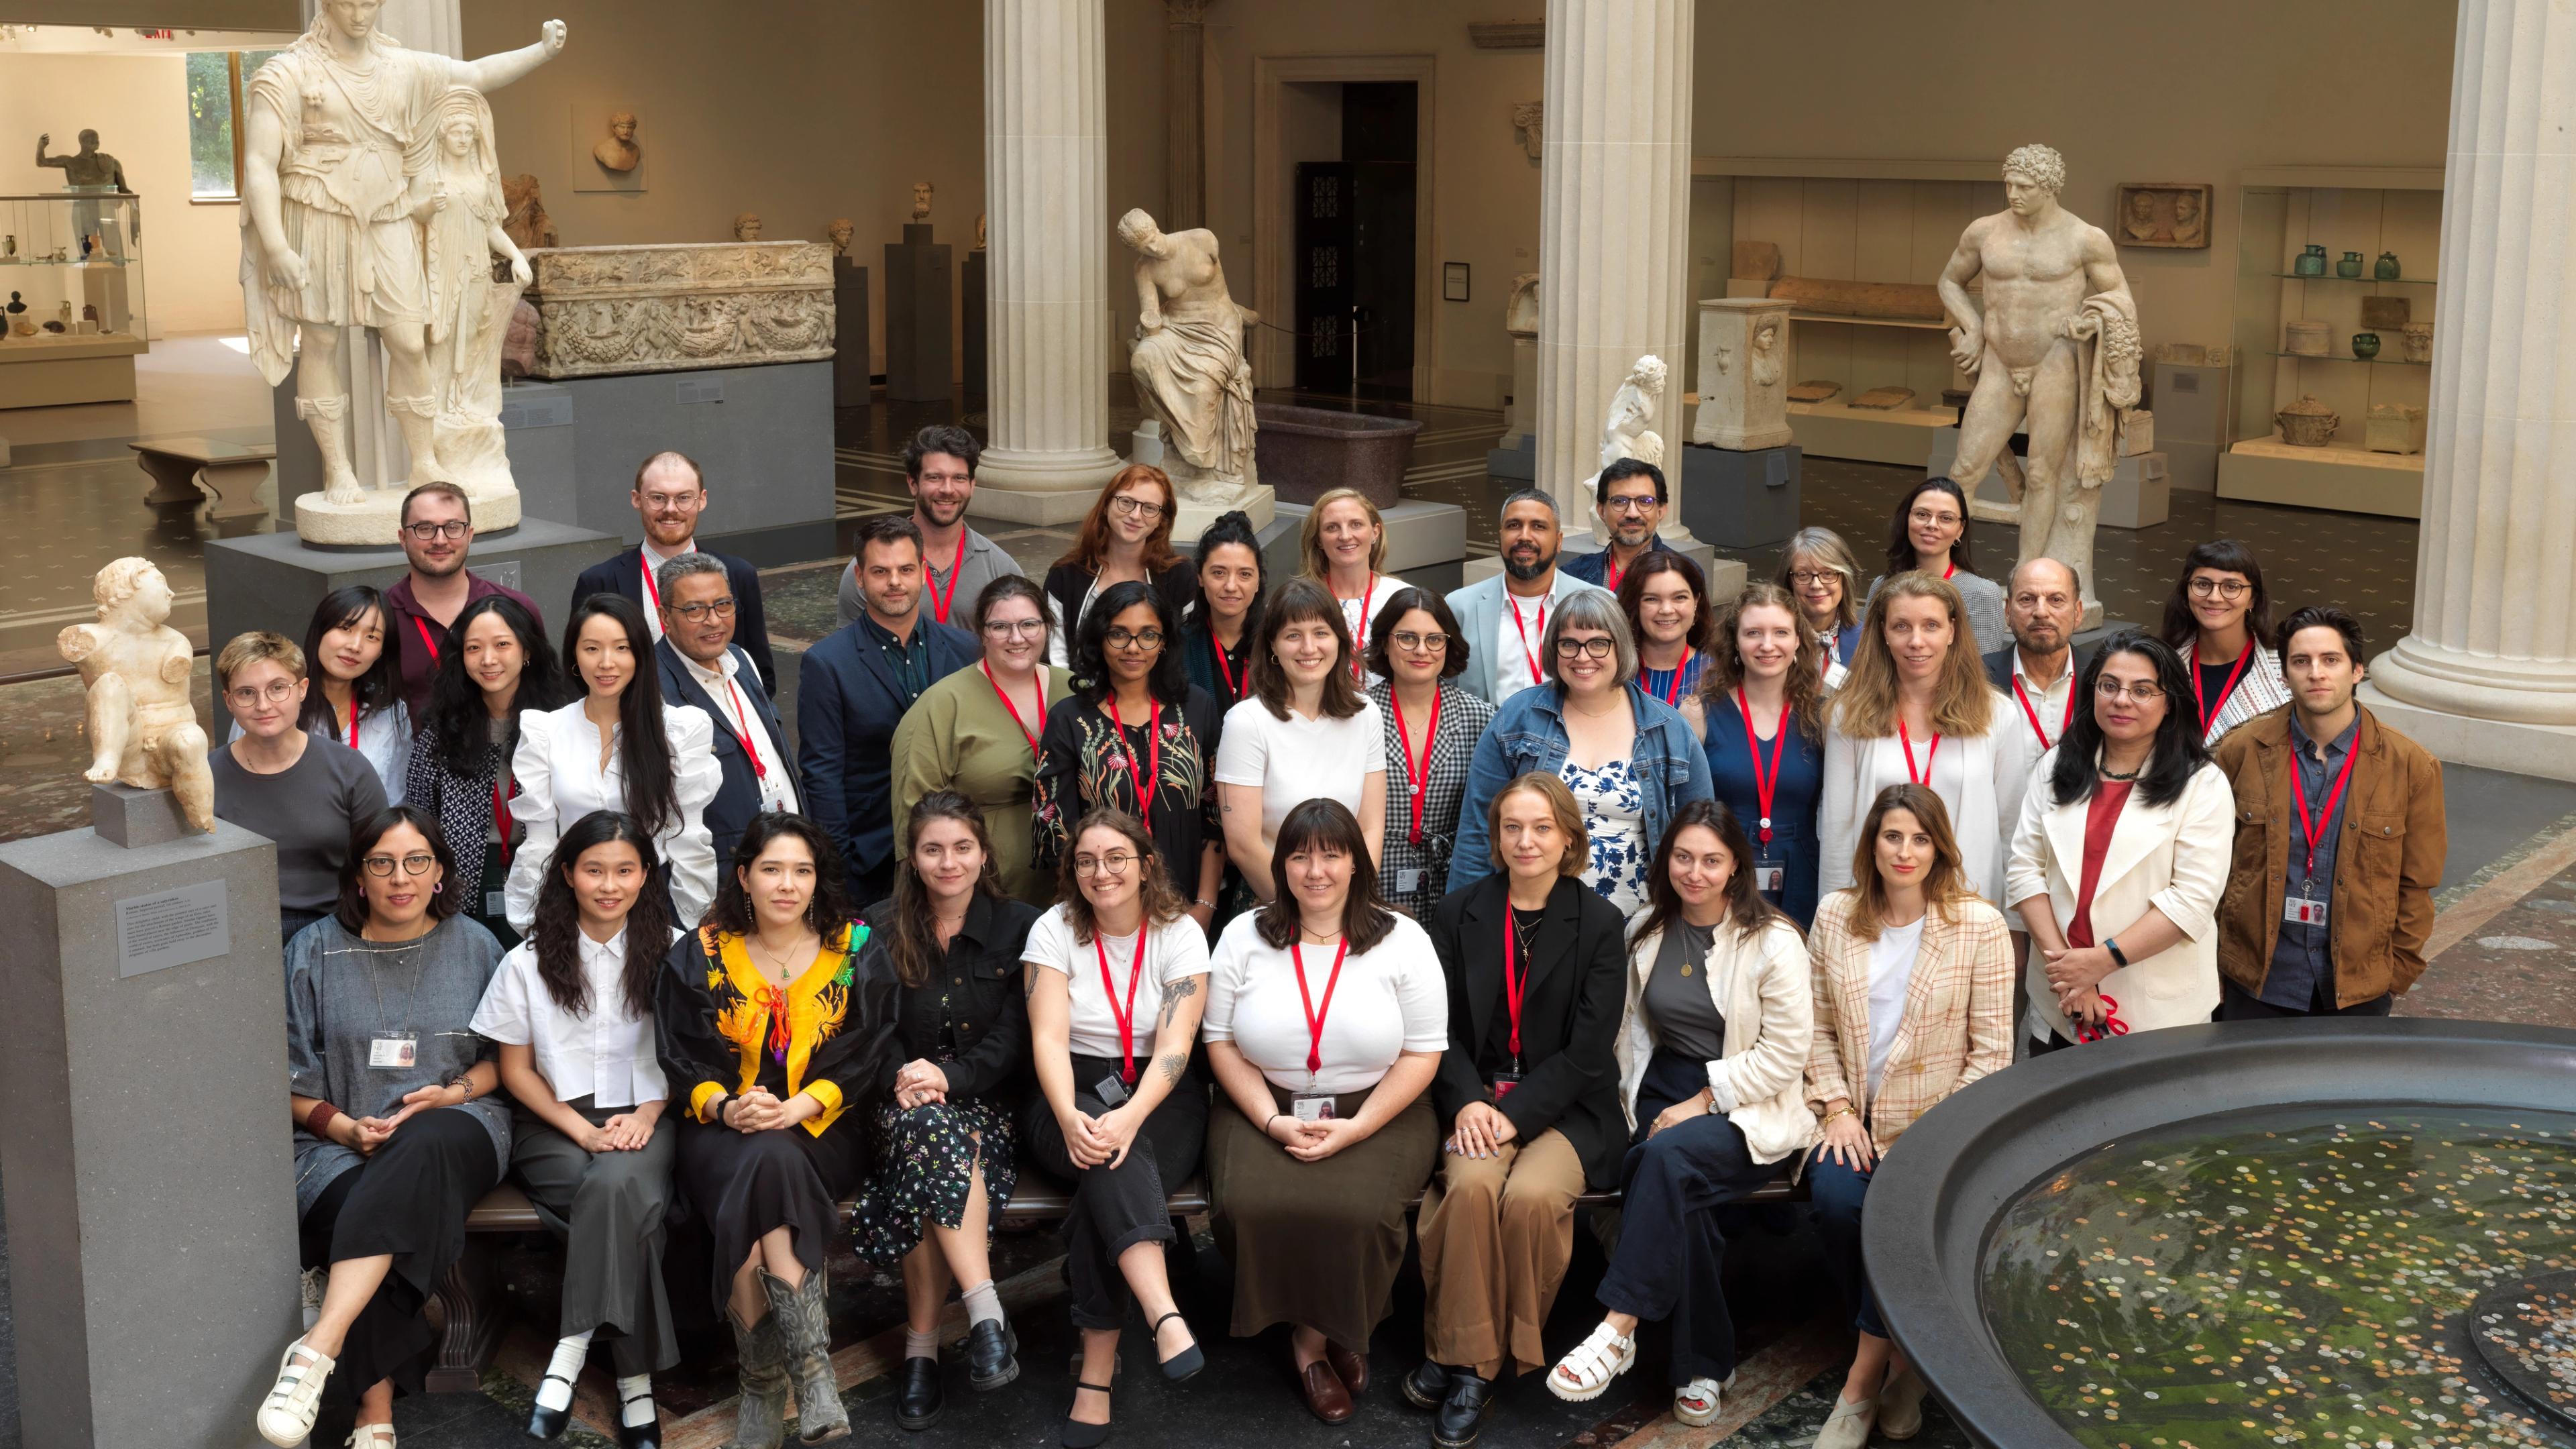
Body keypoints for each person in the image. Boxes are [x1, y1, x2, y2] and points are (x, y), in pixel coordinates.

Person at [1548, 800, 1813, 1428]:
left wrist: (1702, 1102)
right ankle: (1700, 1368)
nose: (1696, 872)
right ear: (1667, 861)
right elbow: (1627, 1035)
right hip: (1657, 1088)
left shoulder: (1775, 941)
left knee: (1667, 1161)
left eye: (1712, 861)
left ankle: (1618, 1326)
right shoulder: (1645, 928)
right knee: (1678, 1188)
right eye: (1684, 857)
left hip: (1746, 1100)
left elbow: (1784, 1055)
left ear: (1736, 868)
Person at [256, 807, 508, 1449]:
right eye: (382, 863)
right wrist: (342, 1128)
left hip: (458, 1125)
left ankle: (318, 1347)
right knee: (364, 1212)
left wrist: (448, 1094)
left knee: (420, 1140)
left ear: (440, 871)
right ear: (359, 877)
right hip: (340, 1145)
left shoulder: (477, 944)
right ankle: (374, 1417)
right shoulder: (312, 951)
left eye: (417, 861)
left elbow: (504, 1064)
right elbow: (285, 1081)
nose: (401, 878)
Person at [1203, 799, 1447, 1426]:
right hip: (1263, 1101)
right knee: (1249, 1205)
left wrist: (1359, 1128)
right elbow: (1220, 1042)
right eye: (1300, 854)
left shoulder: (1404, 939)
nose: (1316, 870)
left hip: (1380, 1106)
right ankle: (1338, 1322)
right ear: (1281, 864)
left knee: (1356, 1210)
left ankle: (1311, 1344)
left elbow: (1423, 1054)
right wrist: (1270, 1120)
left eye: (1332, 854)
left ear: (1355, 863)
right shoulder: (1243, 934)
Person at [657, 813, 896, 1449]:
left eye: (802, 871)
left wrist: (799, 1108)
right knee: (764, 1161)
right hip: (720, 1129)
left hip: (825, 1128)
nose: (787, 884)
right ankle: (811, 1375)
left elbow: (868, 1049)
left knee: (768, 1163)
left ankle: (762, 1383)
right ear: (744, 876)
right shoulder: (703, 952)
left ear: (817, 881)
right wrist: (726, 1108)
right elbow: (681, 1053)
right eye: (771, 869)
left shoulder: (855, 950)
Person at [1411, 775, 1627, 1448]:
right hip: (1475, 1097)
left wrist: (1515, 1113)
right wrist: (1470, 1100)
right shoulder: (1454, 915)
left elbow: (1591, 1051)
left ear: (1568, 837)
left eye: (1541, 827)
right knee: (1472, 1187)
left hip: (1569, 1105)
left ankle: (1467, 1358)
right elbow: (1435, 1031)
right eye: (1512, 827)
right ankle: (1473, 1360)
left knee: (1531, 1198)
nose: (1525, 841)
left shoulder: (1600, 924)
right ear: (1496, 837)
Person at [1803, 785, 2013, 1449]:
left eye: (1920, 839)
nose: (1905, 851)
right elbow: (1813, 1029)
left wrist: (1932, 1137)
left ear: (1940, 848)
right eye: (1893, 836)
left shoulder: (1978, 926)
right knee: (1838, 1202)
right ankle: (1904, 1358)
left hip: (1936, 1131)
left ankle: (1863, 1385)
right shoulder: (1836, 914)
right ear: (1872, 843)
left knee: (1899, 1217)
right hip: (1849, 1120)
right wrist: (1837, 1108)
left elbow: (1992, 1055)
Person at [470, 811, 680, 1446]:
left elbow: (693, 1058)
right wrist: (581, 1131)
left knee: (616, 1189)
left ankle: (569, 1352)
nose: (608, 884)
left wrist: (646, 1114)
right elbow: (515, 1070)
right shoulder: (526, 961)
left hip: (650, 1115)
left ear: (646, 875)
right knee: (625, 1212)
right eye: (594, 870)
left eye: (624, 870)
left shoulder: (678, 952)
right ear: (568, 874)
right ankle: (634, 1382)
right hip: (553, 1123)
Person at [848, 794, 1042, 1432]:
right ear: (913, 856)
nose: (948, 862)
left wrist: (948, 1077)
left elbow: (1015, 1039)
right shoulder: (878, 925)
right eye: (933, 849)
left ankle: (921, 1351)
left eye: (962, 847)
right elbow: (869, 1031)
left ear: (983, 853)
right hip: (898, 1104)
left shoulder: (1021, 927)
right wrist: (908, 1078)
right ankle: (986, 1315)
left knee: (930, 1161)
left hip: (988, 1107)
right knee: (927, 1135)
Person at [1020, 810, 1213, 1446]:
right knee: (1105, 1154)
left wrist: (1128, 1116)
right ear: (1072, 871)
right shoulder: (1054, 928)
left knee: (1108, 1167)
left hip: (1161, 1096)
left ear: (1146, 865)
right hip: (1068, 1090)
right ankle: (1163, 1314)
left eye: (1115, 858)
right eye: (1085, 861)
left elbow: (1177, 1043)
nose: (1100, 872)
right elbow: (1047, 1037)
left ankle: (1097, 1369)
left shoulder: (1180, 932)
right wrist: (1072, 1113)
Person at [2210, 606, 2447, 1020]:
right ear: (2284, 676)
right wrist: (2215, 963)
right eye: (2301, 662)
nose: (2315, 673)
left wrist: (2396, 973)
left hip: (2356, 989)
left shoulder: (2412, 766)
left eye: (2330, 660)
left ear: (2357, 671)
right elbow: (2212, 867)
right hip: (2256, 980)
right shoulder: (2241, 751)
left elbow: (2417, 883)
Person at [2006, 633, 2233, 1052]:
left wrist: (2098, 963)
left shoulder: (2202, 784)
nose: (2122, 700)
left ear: (2171, 704)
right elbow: (2024, 870)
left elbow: (2192, 901)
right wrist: (2068, 973)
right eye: (2109, 686)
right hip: (2061, 996)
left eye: (2142, 690)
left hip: (2156, 1012)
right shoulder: (2058, 765)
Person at [1454, 594, 1715, 915]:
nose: (1582, 657)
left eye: (1598, 644)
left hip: (1640, 922)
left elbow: (1702, 836)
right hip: (1535, 920)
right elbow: (1478, 830)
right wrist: (1467, 923)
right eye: (1569, 644)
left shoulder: (1670, 729)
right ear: (1554, 648)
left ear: (1621, 646)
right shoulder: (1517, 718)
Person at [506, 596, 720, 934]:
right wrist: (532, 922)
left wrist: (691, 923)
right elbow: (541, 842)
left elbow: (688, 835)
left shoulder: (679, 731)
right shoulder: (546, 732)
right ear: (575, 656)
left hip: (654, 900)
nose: (607, 663)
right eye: (592, 649)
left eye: (621, 648)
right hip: (575, 902)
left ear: (639, 655)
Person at [801, 515, 980, 906]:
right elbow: (823, 774)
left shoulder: (966, 649)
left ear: (922, 573)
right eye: (881, 571)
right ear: (860, 578)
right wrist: (838, 871)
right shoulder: (826, 663)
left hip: (954, 857)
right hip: (870, 858)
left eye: (906, 569)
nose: (895, 582)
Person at [1818, 573, 2023, 909]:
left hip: (1968, 910)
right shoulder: (1849, 714)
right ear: (1883, 632)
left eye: (1931, 625)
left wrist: (2014, 924)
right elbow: (1838, 829)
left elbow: (2011, 829)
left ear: (1952, 631)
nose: (1916, 641)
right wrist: (1834, 915)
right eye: (1902, 626)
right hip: (1876, 911)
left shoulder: (1997, 714)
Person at [1032, 580, 1227, 932]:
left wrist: (1205, 907)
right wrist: (1095, 912)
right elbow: (1057, 831)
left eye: (1148, 635)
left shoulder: (1197, 707)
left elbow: (1215, 816)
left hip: (1186, 911)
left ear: (1164, 642)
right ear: (1098, 640)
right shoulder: (1068, 719)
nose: (1133, 648)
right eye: (1118, 634)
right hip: (1101, 909)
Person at [890, 576, 1068, 907]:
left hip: (1075, 890)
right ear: (982, 633)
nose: (1017, 638)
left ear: (1047, 625)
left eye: (1029, 624)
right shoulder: (942, 706)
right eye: (1000, 627)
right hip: (983, 898)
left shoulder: (1074, 689)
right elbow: (913, 818)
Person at [407, 595, 568, 949]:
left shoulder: (560, 725)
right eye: (474, 648)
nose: (488, 659)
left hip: (550, 877)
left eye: (502, 645)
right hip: (461, 885)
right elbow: (419, 818)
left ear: (527, 651)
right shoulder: (441, 730)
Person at [211, 631, 390, 947]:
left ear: (302, 689)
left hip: (336, 929)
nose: (263, 705)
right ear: (228, 701)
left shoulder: (348, 769)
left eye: (278, 688)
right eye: (246, 693)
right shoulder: (206, 776)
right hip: (238, 933)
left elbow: (382, 860)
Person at [1216, 577, 1389, 898]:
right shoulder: (1247, 722)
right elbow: (1243, 846)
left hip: (1348, 903)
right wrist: (1305, 913)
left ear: (1339, 640)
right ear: (1272, 645)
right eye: (1293, 635)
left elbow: (1370, 827)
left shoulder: (1366, 714)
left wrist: (1353, 904)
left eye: (1321, 633)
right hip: (1272, 900)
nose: (1309, 648)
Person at [573, 451, 779, 694]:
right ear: (637, 499)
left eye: (684, 498)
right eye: (658, 498)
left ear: (702, 500)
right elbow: (580, 673)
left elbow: (758, 673)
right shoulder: (599, 582)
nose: (671, 509)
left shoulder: (738, 575)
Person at [654, 552, 798, 875]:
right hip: (722, 875)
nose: (714, 620)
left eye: (723, 604)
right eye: (694, 610)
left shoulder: (741, 660)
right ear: (664, 617)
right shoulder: (651, 689)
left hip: (784, 853)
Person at [1700, 585, 1829, 927]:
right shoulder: (1698, 714)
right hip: (1722, 869)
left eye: (1781, 633)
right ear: (1736, 642)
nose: (1767, 645)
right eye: (1754, 633)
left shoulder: (1824, 717)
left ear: (1799, 641)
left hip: (1803, 874)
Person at [1368, 587, 1497, 920]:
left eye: (1435, 639)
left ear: (1449, 644)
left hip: (1456, 887)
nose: (1422, 650)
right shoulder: (1357, 715)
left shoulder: (1482, 718)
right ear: (1384, 642)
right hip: (1372, 887)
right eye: (1407, 638)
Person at [839, 426, 1028, 634]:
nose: (948, 489)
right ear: (913, 483)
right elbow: (848, 652)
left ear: (972, 486)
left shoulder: (1001, 568)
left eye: (959, 478)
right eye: (935, 477)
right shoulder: (871, 568)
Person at [233, 585, 411, 804]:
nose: (356, 646)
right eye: (346, 628)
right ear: (321, 630)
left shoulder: (391, 710)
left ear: (382, 650)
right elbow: (240, 787)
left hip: (369, 835)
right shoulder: (268, 703)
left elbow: (396, 799)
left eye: (372, 636)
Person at [380, 482, 543, 717]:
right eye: (425, 528)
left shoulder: (518, 609)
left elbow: (543, 690)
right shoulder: (379, 619)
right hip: (411, 753)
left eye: (453, 527)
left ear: (470, 535)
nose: (440, 540)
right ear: (403, 538)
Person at [1444, 490, 1613, 708]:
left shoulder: (1601, 604)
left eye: (1538, 526)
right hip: (1487, 736)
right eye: (1514, 525)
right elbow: (1445, 690)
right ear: (1501, 535)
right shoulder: (1459, 607)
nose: (1524, 536)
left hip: (1572, 735)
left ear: (1559, 541)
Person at [1044, 464, 1199, 670]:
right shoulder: (1065, 576)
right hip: (1080, 695)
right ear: (1106, 505)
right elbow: (1056, 657)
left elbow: (1186, 651)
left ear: (1161, 520)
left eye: (1150, 508)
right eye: (1126, 502)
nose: (1136, 515)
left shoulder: (1180, 576)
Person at [2161, 539, 2292, 747]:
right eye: (2203, 584)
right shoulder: (2160, 663)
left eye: (2232, 587)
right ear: (2186, 593)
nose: (2214, 597)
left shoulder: (2286, 669)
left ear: (2252, 600)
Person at [1866, 478, 2006, 657]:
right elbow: (1868, 658)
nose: (1932, 524)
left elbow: (1983, 673)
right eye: (1922, 514)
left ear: (1960, 529)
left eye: (1946, 518)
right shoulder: (1881, 586)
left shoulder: (1981, 593)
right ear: (1907, 518)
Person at [1984, 557, 2098, 776]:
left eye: (2056, 600)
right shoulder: (1976, 679)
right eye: (2027, 599)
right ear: (2007, 611)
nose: (2041, 612)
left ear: (2078, 612)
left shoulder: (2103, 681)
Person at [1300, 487, 1404, 675]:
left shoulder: (1402, 598)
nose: (1345, 536)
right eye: (1332, 527)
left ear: (1375, 532)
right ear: (1319, 540)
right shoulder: (1300, 601)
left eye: (1356, 524)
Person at [1617, 551, 1715, 738]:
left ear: (1696, 601)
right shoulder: (1614, 672)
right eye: (1651, 599)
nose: (1667, 610)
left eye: (1679, 597)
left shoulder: (1717, 675)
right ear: (1635, 605)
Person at [1181, 508, 1266, 710]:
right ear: (1200, 577)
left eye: (1245, 574)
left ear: (1257, 582)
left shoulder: (1276, 642)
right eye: (1219, 572)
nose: (1231, 586)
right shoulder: (1179, 645)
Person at [1562, 458, 1681, 593]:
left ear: (1661, 511)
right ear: (1601, 511)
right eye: (1619, 501)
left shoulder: (1683, 573)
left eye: (1645, 501)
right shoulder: (1574, 574)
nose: (1632, 513)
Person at [1778, 527, 1866, 690]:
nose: (1816, 585)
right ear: (1789, 582)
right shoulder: (1771, 641)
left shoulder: (1867, 641)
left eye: (1828, 573)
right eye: (1803, 575)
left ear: (1845, 579)